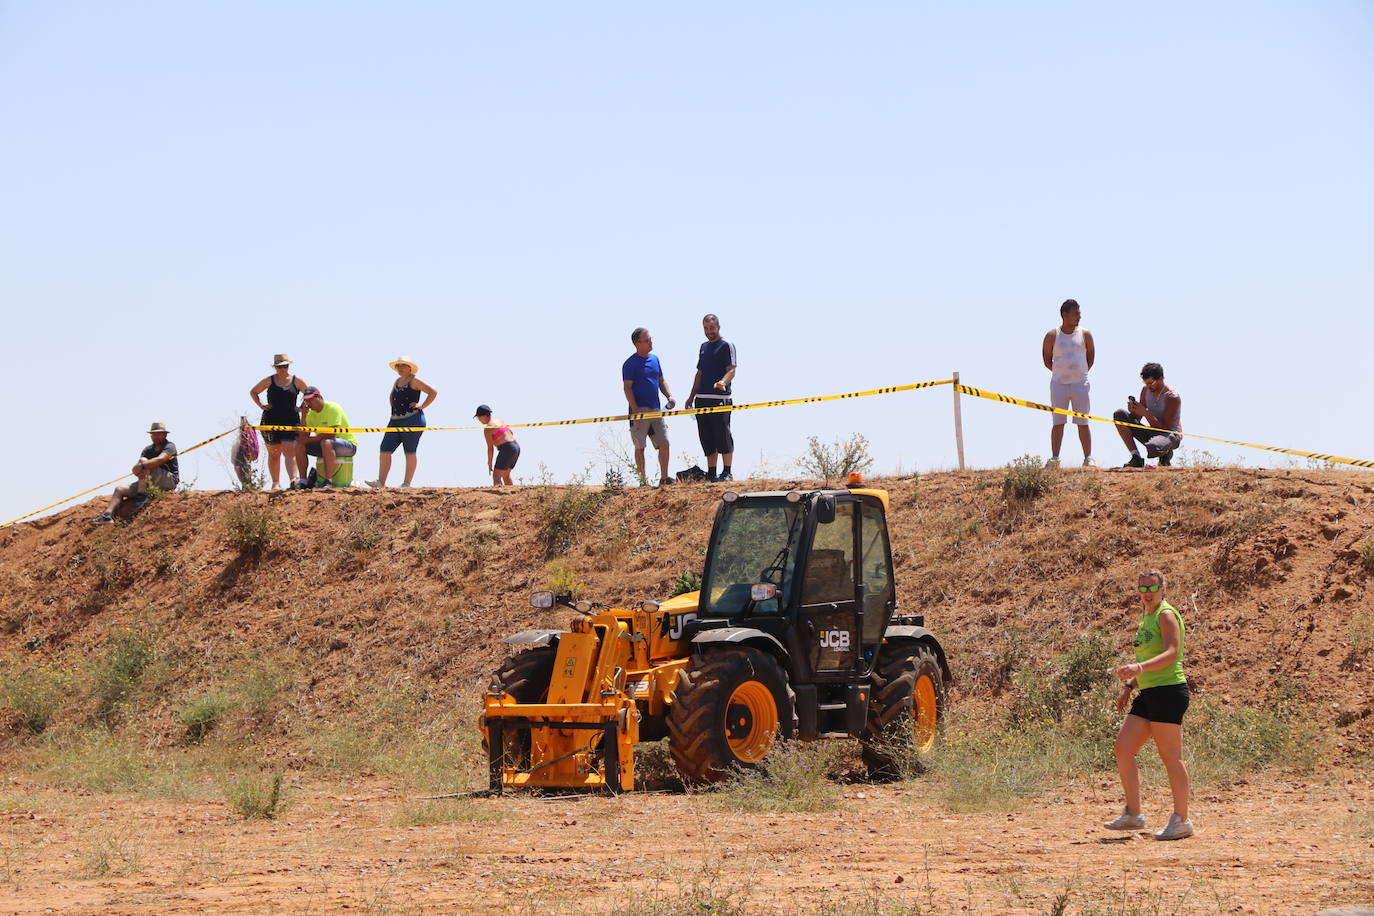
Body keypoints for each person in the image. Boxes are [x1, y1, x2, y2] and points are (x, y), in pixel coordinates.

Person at [1107, 569, 1193, 840]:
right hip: (1149, 692)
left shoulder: (1165, 615)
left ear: (1163, 589)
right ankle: (1133, 814)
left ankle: (1181, 820)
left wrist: (1137, 667)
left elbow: (1171, 653)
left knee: (1171, 757)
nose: (1147, 593)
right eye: (1142, 588)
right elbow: (1151, 657)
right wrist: (1130, 686)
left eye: (1152, 588)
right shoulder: (1146, 616)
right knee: (1123, 749)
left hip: (1168, 692)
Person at [365, 356, 437, 489]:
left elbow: (433, 392)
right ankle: (380, 482)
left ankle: (406, 483)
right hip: (395, 420)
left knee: (410, 451)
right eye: (398, 366)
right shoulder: (397, 381)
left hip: (413, 419)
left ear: (410, 368)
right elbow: (392, 396)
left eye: (403, 365)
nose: (400, 368)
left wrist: (422, 406)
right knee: (385, 449)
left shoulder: (414, 380)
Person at [90, 423, 179, 524]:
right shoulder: (148, 450)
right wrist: (138, 469)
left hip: (169, 480)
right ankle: (107, 515)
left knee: (145, 463)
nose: (156, 437)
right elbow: (137, 470)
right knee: (120, 489)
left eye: (159, 434)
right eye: (154, 434)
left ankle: (142, 495)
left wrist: (141, 466)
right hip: (149, 481)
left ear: (165, 435)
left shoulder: (169, 446)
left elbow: (160, 459)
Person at [1042, 299, 1095, 468]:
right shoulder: (1052, 335)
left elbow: (1090, 357)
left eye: (1079, 313)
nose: (1079, 316)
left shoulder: (1085, 334)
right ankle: (1055, 458)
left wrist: (1079, 372)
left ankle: (1088, 458)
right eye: (1076, 313)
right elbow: (1046, 359)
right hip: (1059, 384)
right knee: (1058, 421)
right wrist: (1061, 372)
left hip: (1080, 384)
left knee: (1083, 421)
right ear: (1065, 314)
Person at [684, 313, 737, 481]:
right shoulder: (703, 347)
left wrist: (723, 382)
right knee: (706, 437)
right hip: (702, 398)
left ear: (718, 327)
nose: (709, 331)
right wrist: (691, 396)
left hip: (720, 398)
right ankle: (712, 472)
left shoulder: (727, 345)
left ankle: (727, 471)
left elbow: (732, 369)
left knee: (723, 434)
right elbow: (699, 373)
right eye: (706, 328)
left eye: (712, 328)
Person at [622, 327, 676, 486]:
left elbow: (661, 380)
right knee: (640, 446)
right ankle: (643, 481)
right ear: (637, 343)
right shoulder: (630, 364)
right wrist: (635, 410)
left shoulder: (655, 359)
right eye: (647, 340)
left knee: (664, 443)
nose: (651, 342)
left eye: (651, 339)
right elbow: (627, 388)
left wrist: (669, 396)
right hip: (639, 410)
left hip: (656, 409)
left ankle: (664, 478)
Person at [249, 353, 310, 489]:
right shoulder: (269, 380)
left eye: (285, 366)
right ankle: (275, 483)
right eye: (280, 367)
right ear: (275, 367)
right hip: (271, 421)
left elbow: (309, 394)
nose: (283, 369)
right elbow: (253, 392)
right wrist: (261, 405)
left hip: (291, 420)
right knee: (274, 452)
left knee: (289, 450)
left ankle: (293, 480)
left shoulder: (297, 380)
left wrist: (302, 408)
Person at [1114, 362, 1182, 468]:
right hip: (1152, 431)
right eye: (1146, 383)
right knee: (1119, 414)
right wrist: (1134, 410)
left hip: (1169, 435)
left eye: (1151, 383)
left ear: (1160, 379)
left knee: (1153, 447)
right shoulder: (1145, 390)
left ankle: (1165, 454)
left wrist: (1145, 414)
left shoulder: (1172, 397)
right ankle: (1136, 457)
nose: (1148, 386)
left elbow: (1166, 427)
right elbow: (1137, 418)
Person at [299, 386, 358, 488]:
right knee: (299, 445)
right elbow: (304, 436)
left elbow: (332, 434)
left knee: (326, 442)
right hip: (327, 445)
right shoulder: (310, 414)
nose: (308, 403)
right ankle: (303, 481)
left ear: (319, 397)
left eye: (311, 400)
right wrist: (303, 416)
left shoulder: (333, 408)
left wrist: (309, 440)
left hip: (348, 445)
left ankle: (328, 481)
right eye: (306, 401)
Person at [475, 405, 520, 485]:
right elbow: (511, 432)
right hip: (516, 446)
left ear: (484, 416)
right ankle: (511, 495)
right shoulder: (500, 421)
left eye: (478, 417)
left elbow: (490, 448)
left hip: (507, 448)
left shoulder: (488, 429)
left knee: (496, 476)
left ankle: (500, 497)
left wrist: (489, 462)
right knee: (506, 475)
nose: (478, 420)